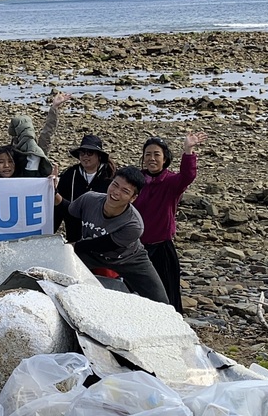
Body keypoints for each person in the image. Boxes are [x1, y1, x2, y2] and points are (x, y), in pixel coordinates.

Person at [64, 166, 170, 305]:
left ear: (133, 198)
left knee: (161, 301)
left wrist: (74, 246)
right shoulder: (89, 199)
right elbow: (70, 214)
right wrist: (54, 194)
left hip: (129, 259)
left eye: (125, 191)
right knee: (58, 271)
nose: (116, 192)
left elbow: (103, 245)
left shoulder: (134, 224)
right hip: (90, 253)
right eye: (115, 185)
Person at [133, 132, 207, 313]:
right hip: (135, 247)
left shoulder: (171, 182)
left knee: (167, 295)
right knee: (135, 292)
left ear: (165, 158)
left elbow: (188, 176)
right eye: (148, 154)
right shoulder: (136, 180)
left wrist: (188, 150)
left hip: (161, 249)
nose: (152, 158)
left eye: (156, 154)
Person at [54, 134, 116, 242]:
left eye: (90, 153)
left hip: (101, 237)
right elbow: (58, 207)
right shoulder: (70, 174)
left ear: (99, 156)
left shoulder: (111, 177)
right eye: (82, 153)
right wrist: (50, 231)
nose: (85, 156)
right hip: (74, 236)